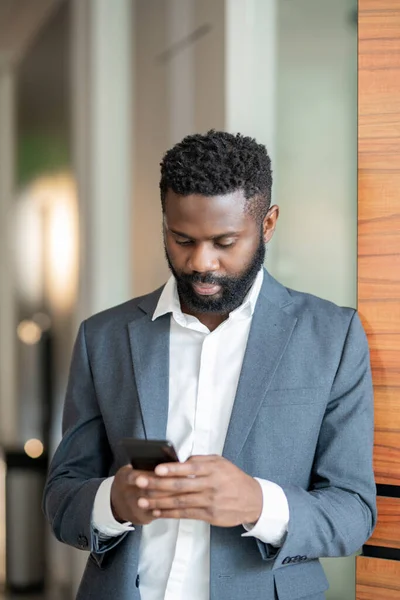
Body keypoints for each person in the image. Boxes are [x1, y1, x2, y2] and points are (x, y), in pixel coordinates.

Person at [43, 130, 376, 600]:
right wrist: (113, 501)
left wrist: (259, 504)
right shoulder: (104, 337)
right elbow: (62, 495)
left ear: (269, 223)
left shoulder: (332, 336)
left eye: (224, 241)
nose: (201, 262)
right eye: (182, 239)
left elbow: (354, 512)